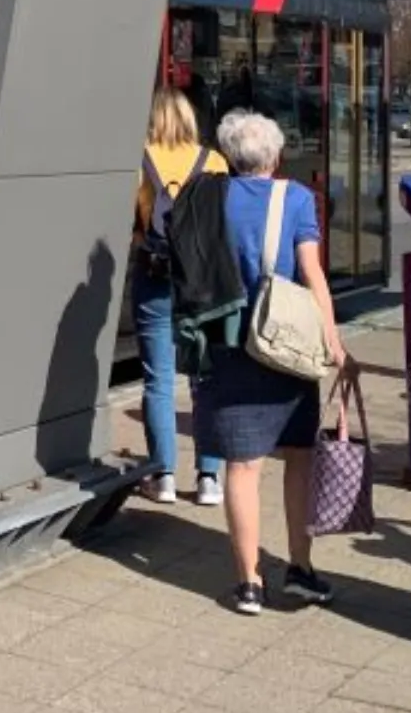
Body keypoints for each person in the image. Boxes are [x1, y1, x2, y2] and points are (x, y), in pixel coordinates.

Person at [192, 108, 346, 615]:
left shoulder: (210, 198)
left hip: (230, 343)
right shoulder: (296, 198)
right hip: (287, 344)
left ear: (229, 157)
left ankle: (248, 582)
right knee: (299, 457)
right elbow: (311, 272)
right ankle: (299, 567)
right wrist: (332, 339)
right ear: (276, 156)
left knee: (242, 465)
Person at [130, 85, 229, 506]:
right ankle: (209, 478)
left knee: (159, 380)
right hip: (203, 284)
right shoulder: (215, 161)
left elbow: (133, 221)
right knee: (205, 379)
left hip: (155, 278)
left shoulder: (139, 159)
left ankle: (163, 476)